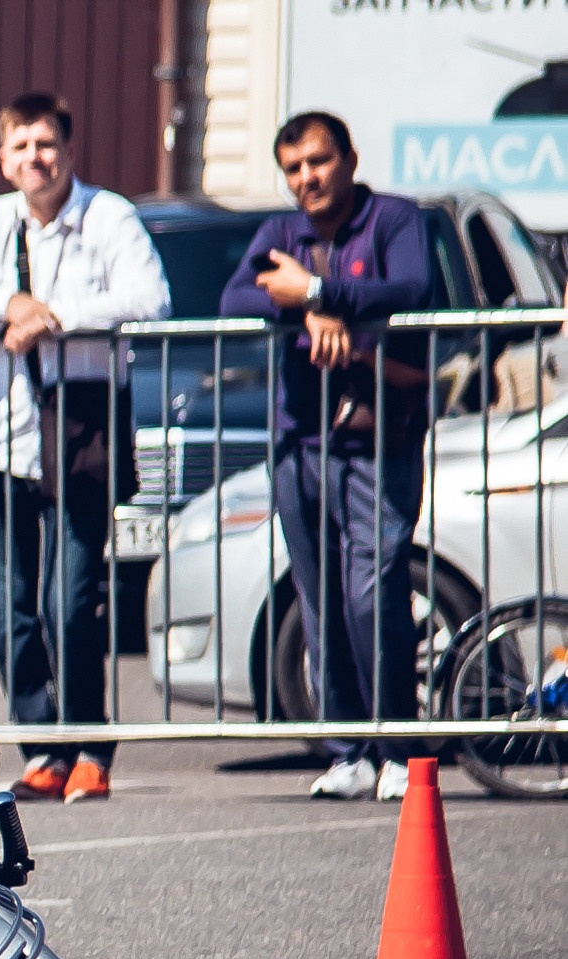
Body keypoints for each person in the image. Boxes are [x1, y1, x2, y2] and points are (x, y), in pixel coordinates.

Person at [0, 92, 171, 805]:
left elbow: (151, 298)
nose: (36, 158)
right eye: (21, 146)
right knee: (14, 602)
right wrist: (4, 307)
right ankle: (42, 751)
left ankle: (88, 745)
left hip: (80, 434)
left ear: (69, 151)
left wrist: (53, 319)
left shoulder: (108, 215)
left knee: (70, 599)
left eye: (47, 144)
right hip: (0, 437)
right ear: (4, 159)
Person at [221, 112, 436, 802]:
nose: (306, 178)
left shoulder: (393, 218)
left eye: (318, 161)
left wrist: (317, 291)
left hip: (379, 438)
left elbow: (412, 288)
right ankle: (349, 751)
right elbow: (233, 297)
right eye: (293, 168)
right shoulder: (281, 233)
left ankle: (398, 748)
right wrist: (304, 313)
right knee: (319, 600)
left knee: (374, 595)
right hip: (300, 442)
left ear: (349, 158)